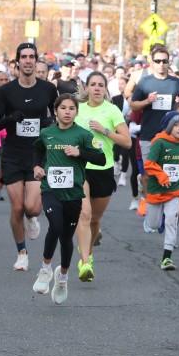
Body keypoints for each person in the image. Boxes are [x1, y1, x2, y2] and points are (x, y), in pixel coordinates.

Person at [0, 43, 60, 270]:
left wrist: (50, 122)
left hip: (38, 154)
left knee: (32, 208)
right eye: (23, 57)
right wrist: (10, 119)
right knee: (17, 208)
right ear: (17, 61)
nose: (27, 61)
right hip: (13, 154)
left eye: (31, 57)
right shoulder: (6, 91)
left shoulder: (48, 89)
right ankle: (22, 253)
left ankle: (32, 218)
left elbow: (60, 116)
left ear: (36, 61)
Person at [30, 94, 106, 302]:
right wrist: (36, 166)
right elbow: (37, 149)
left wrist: (79, 152)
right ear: (55, 111)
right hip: (50, 189)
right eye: (63, 108)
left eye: (72, 108)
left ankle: (62, 278)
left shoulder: (83, 135)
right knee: (55, 225)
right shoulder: (47, 133)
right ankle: (45, 269)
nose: (67, 112)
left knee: (65, 237)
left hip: (73, 193)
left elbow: (101, 159)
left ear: (76, 112)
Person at [75, 70, 131, 280]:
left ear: (105, 89)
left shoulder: (112, 110)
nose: (97, 88)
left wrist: (105, 130)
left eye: (101, 85)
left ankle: (88, 251)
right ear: (87, 88)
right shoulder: (78, 109)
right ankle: (85, 262)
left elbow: (127, 142)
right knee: (84, 214)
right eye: (93, 84)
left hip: (103, 168)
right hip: (81, 167)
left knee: (95, 219)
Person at [129, 44, 179, 201]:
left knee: (166, 172)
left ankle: (162, 203)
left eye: (164, 61)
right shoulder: (145, 82)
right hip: (148, 135)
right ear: (152, 63)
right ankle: (149, 203)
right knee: (149, 173)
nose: (161, 64)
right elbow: (133, 105)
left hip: (169, 136)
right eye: (158, 61)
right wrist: (147, 101)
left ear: (168, 63)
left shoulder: (175, 82)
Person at [143, 111, 179, 270]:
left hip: (175, 188)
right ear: (169, 127)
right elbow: (149, 164)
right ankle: (146, 208)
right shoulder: (159, 143)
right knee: (154, 224)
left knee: (172, 219)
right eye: (176, 125)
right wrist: (162, 176)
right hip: (156, 188)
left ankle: (167, 258)